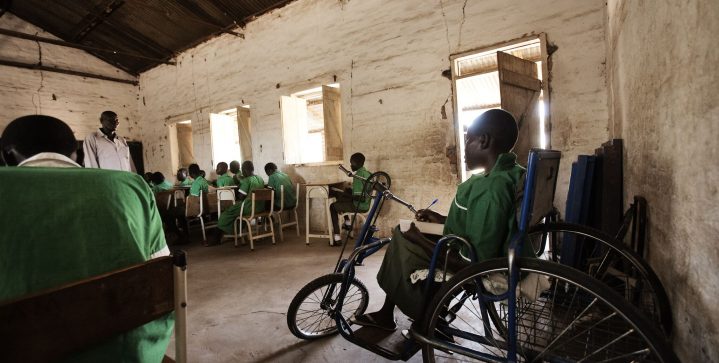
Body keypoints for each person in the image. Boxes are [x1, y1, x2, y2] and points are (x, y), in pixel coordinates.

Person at [0, 115, 173, 362]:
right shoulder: (132, 186)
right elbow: (163, 273)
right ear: (80, 156)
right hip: (134, 353)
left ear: (6, 158)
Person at [352, 109, 530, 330]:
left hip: (478, 262)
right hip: (482, 247)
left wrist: (419, 240)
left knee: (402, 237)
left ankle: (423, 316)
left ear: (483, 141)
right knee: (409, 230)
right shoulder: (510, 172)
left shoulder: (491, 190)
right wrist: (441, 218)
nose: (463, 147)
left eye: (468, 139)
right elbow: (480, 222)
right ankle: (402, 313)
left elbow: (471, 263)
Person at [208, 161, 264, 245]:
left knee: (225, 214)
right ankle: (237, 230)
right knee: (235, 211)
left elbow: (241, 197)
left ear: (244, 170)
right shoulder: (260, 178)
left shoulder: (247, 180)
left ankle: (216, 238)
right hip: (260, 207)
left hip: (248, 207)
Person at [329, 152, 371, 245]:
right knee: (341, 195)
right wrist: (347, 192)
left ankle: (337, 238)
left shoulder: (358, 176)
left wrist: (345, 194)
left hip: (359, 205)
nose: (351, 165)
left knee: (332, 206)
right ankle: (347, 223)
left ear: (356, 163)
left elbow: (360, 198)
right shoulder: (367, 173)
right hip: (366, 204)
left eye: (351, 163)